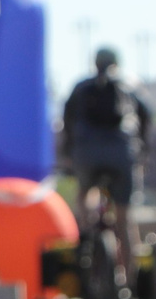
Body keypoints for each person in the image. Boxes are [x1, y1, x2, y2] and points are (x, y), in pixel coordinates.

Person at [63, 46, 149, 224]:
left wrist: (69, 151)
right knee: (123, 217)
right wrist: (143, 148)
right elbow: (146, 116)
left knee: (84, 192)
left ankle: (85, 234)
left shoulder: (81, 87)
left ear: (95, 64)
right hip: (121, 151)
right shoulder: (129, 86)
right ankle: (126, 246)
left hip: (86, 152)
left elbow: (67, 120)